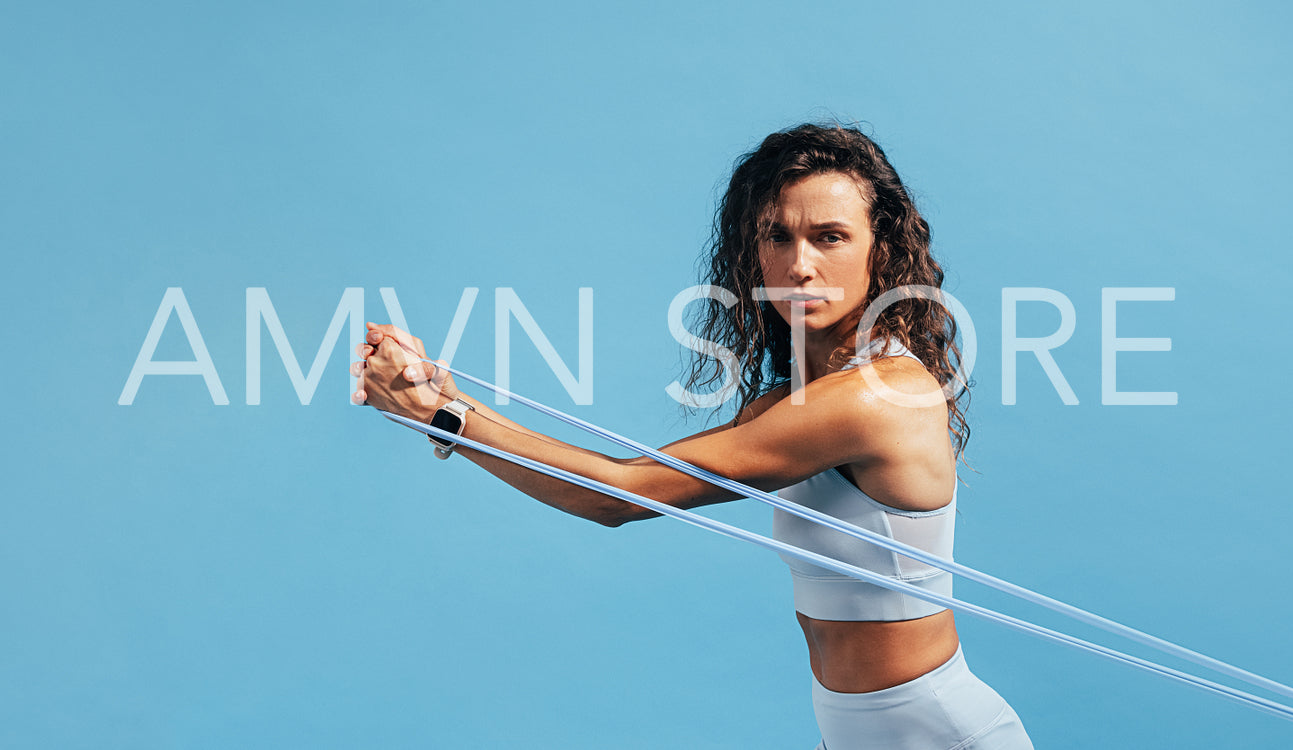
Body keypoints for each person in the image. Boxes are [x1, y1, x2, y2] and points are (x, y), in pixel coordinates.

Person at [353, 123, 1034, 749]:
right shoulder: (786, 404)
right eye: (776, 237)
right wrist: (441, 408)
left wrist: (445, 416)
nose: (798, 265)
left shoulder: (871, 399)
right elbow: (618, 479)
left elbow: (621, 496)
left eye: (829, 236)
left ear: (879, 249)